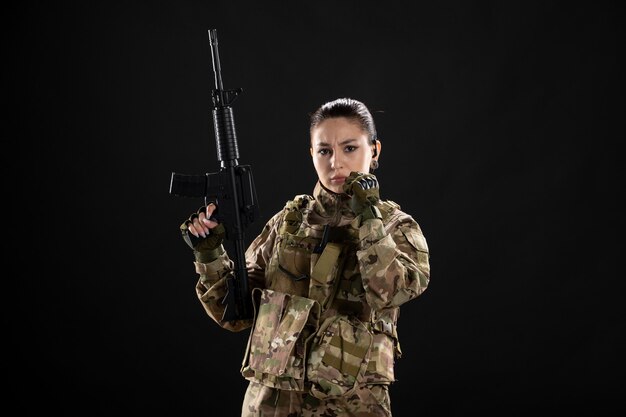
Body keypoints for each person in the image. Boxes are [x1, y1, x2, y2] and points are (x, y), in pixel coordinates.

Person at [180, 97, 430, 416]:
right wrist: (210, 253)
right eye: (324, 150)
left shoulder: (397, 228)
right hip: (270, 404)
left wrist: (368, 217)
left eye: (350, 148)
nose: (336, 163)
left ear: (375, 150)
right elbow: (235, 315)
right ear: (312, 154)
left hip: (351, 406)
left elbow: (390, 292)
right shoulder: (288, 224)